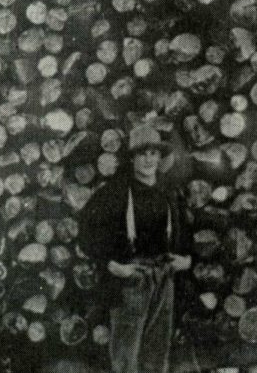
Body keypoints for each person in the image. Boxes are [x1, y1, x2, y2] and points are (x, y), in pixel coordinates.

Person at [78, 125, 193, 373]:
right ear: (132, 158)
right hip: (132, 279)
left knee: (157, 351)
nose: (149, 159)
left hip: (164, 276)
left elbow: (184, 231)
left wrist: (186, 260)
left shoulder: (168, 192)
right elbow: (86, 233)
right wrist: (111, 265)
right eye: (143, 154)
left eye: (154, 153)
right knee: (126, 354)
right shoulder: (114, 193)